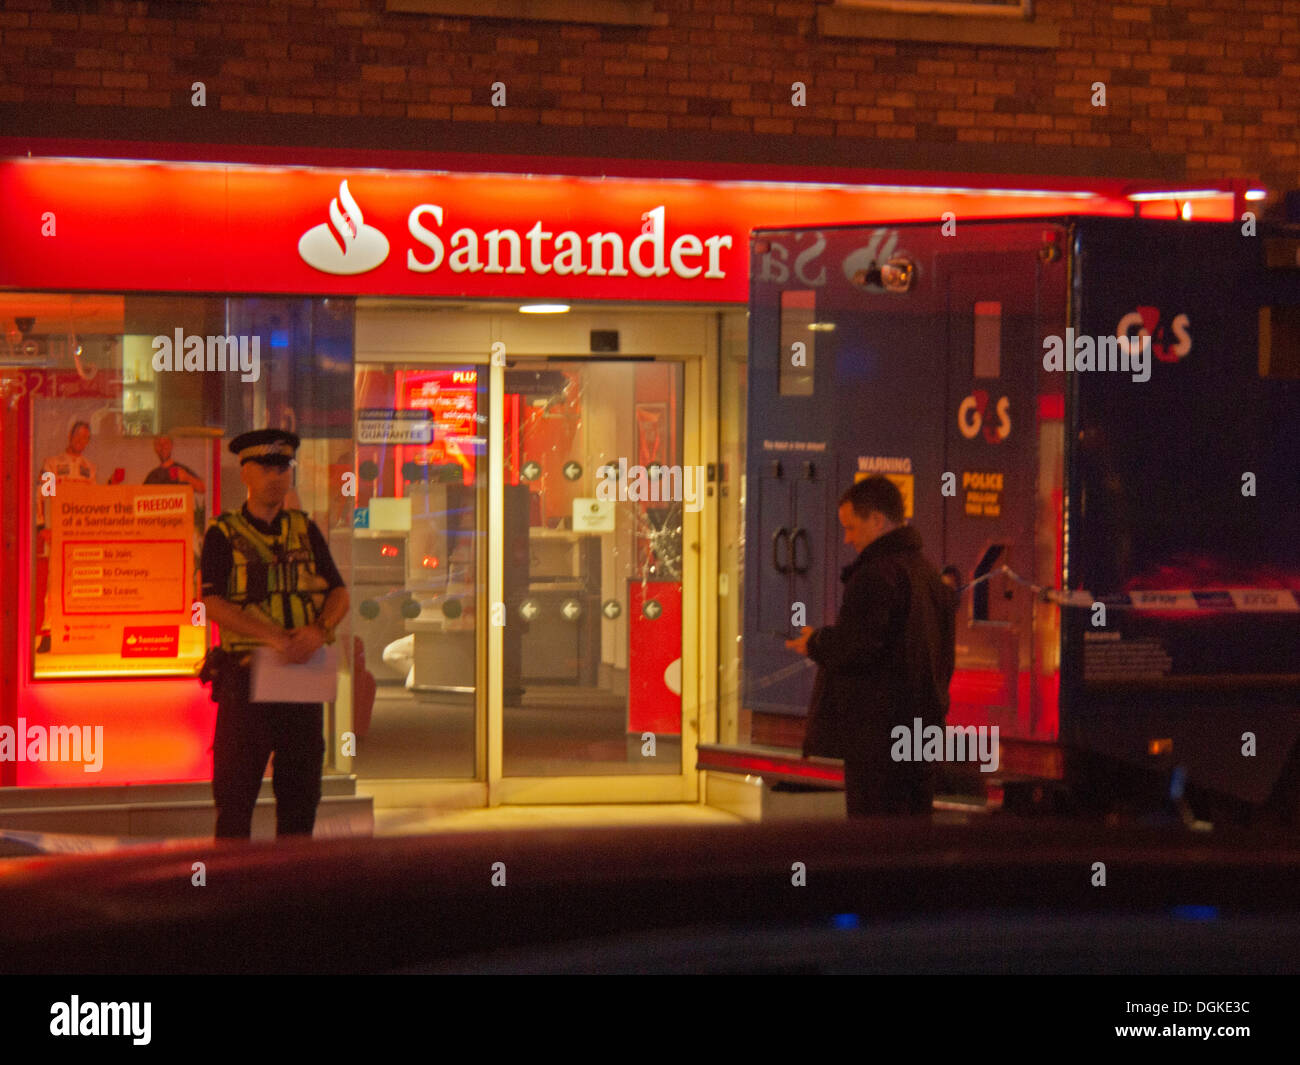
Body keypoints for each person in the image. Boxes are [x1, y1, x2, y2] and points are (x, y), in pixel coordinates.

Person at [199, 429, 349, 840]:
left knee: (301, 798)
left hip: (301, 679)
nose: (275, 476)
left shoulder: (305, 529)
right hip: (247, 679)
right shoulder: (222, 533)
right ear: (244, 472)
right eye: (265, 467)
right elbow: (211, 604)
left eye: (283, 467)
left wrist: (319, 630)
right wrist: (275, 638)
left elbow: (339, 593)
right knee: (235, 797)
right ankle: (230, 895)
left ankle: (295, 893)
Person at [785, 476, 957, 818]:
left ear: (877, 520)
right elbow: (942, 657)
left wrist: (817, 642)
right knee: (913, 835)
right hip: (922, 732)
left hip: (878, 740)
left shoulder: (875, 574)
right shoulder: (928, 575)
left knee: (874, 839)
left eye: (851, 527)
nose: (848, 539)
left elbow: (860, 646)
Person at [35, 421, 99, 650]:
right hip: (57, 532)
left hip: (80, 533)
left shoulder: (89, 468)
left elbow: (93, 502)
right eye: (78, 436)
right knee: (54, 583)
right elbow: (42, 496)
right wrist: (42, 527)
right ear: (70, 436)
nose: (81, 441)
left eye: (86, 438)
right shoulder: (53, 464)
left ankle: (79, 632)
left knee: (82, 581)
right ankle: (48, 632)